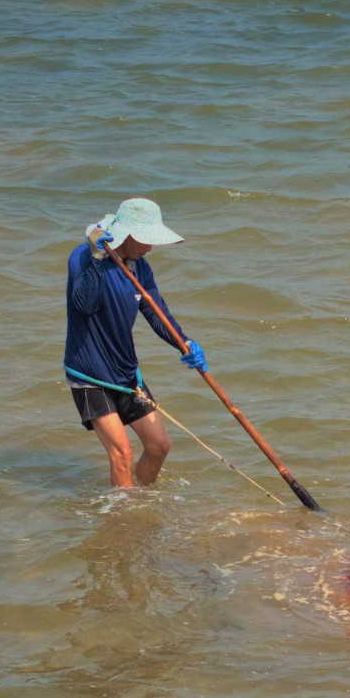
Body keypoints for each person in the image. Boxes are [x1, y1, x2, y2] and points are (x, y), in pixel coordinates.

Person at [62, 198, 208, 488]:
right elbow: (84, 305)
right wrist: (95, 259)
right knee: (122, 454)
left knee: (159, 445)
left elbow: (156, 312)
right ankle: (123, 524)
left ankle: (139, 503)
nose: (150, 247)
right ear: (127, 234)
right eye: (146, 240)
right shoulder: (82, 257)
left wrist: (185, 343)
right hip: (89, 373)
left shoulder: (140, 268)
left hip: (126, 373)